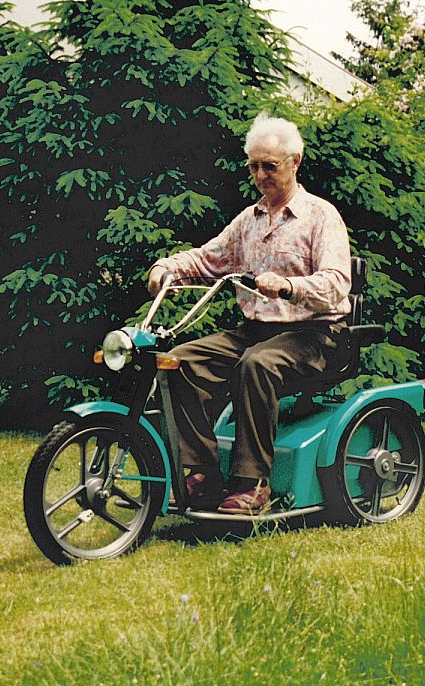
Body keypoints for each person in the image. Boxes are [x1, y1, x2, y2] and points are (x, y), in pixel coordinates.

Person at [146, 114, 352, 515]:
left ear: (295, 161)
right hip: (256, 330)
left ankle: (253, 484)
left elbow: (336, 283)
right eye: (254, 166)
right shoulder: (249, 220)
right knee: (179, 362)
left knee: (256, 365)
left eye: (270, 166)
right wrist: (167, 267)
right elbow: (208, 258)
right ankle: (202, 472)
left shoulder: (320, 216)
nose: (261, 175)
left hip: (315, 333)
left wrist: (291, 286)